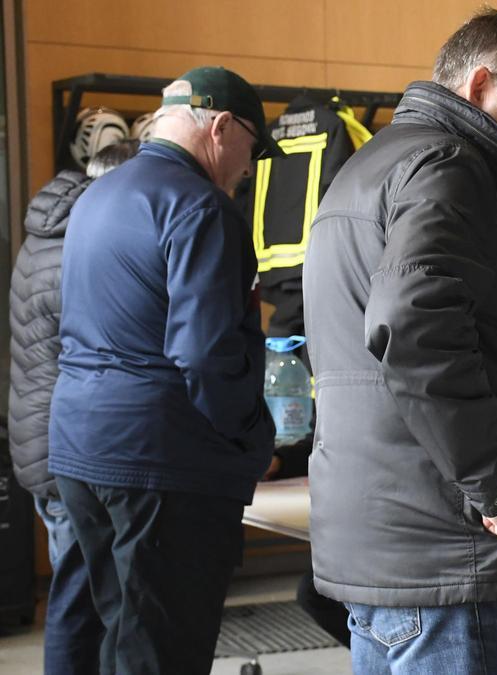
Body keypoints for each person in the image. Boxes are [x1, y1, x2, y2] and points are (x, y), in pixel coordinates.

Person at [302, 9, 497, 674]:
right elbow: (415, 325)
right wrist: (495, 485)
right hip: (454, 560)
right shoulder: (449, 167)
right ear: (482, 83)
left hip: (392, 548)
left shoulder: (375, 163)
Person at [49, 67, 280, 674]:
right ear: (222, 127)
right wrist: (252, 436)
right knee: (161, 653)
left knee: (115, 636)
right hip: (162, 462)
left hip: (81, 449)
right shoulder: (202, 208)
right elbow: (205, 354)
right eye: (251, 148)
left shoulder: (96, 196)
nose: (249, 167)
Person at [8, 139, 138, 675]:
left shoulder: (47, 234)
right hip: (72, 447)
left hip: (43, 439)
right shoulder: (84, 243)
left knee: (78, 593)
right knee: (82, 603)